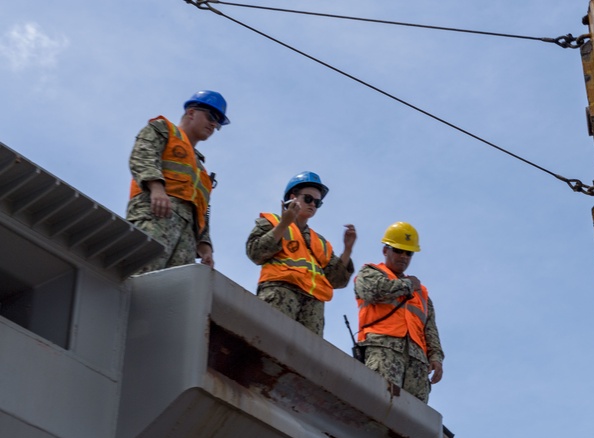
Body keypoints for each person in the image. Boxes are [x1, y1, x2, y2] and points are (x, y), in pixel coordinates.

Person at [127, 90, 229, 273]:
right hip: (156, 214)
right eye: (211, 116)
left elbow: (201, 210)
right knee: (142, 272)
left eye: (218, 123)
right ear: (191, 112)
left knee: (173, 288)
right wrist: (157, 189)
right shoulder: (163, 129)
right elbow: (143, 156)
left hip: (187, 236)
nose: (214, 124)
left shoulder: (201, 170)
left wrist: (205, 246)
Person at [246, 171, 356, 336]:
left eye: (317, 202)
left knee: (304, 358)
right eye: (308, 199)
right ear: (293, 197)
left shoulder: (320, 243)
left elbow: (336, 280)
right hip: (280, 294)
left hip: (313, 306)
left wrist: (347, 249)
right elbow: (255, 252)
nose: (313, 205)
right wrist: (284, 224)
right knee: (270, 343)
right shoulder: (272, 222)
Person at [354, 222, 444, 403]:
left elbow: (430, 329)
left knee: (413, 418)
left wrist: (436, 357)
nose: (403, 256)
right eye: (398, 250)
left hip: (417, 362)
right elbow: (374, 291)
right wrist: (408, 285)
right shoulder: (371, 273)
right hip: (384, 350)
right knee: (378, 403)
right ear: (385, 250)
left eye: (408, 253)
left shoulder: (422, 293)